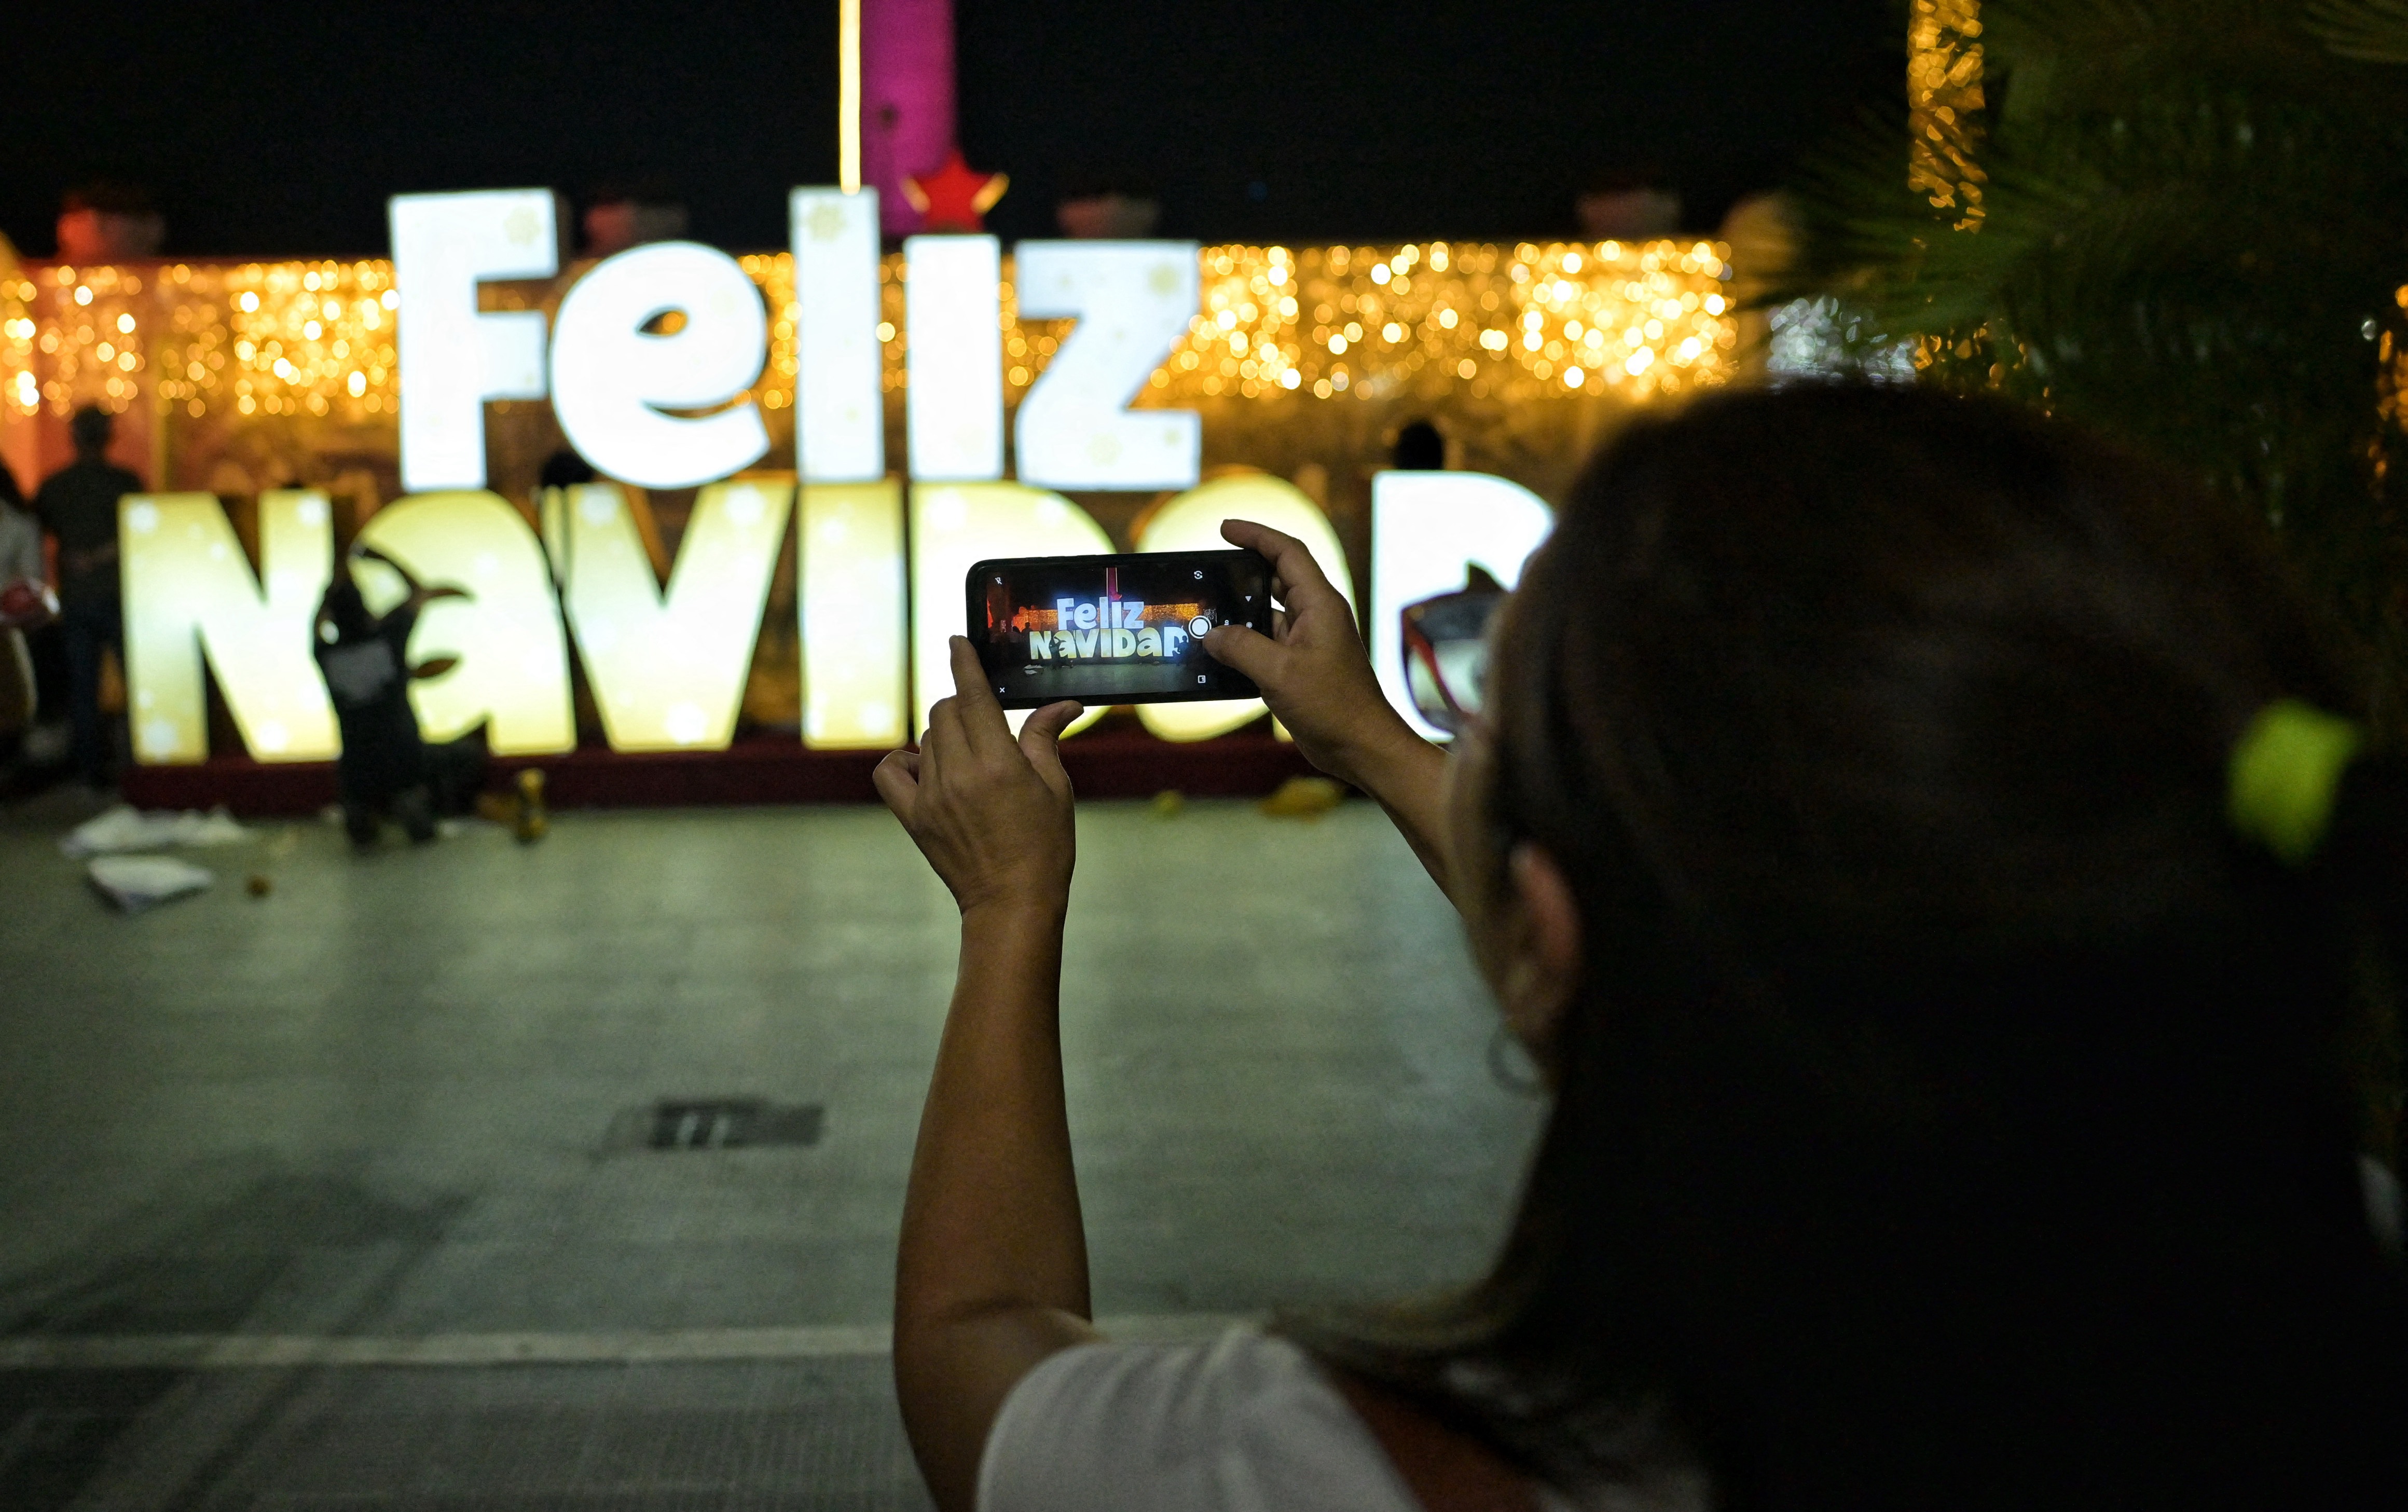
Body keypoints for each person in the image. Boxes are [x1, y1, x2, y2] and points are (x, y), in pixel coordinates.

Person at [873, 385, 2407, 1510]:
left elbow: (975, 1357)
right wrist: (1374, 741)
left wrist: (1011, 912)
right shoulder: (2338, 1261)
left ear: (1540, 937)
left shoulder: (1339, 1462)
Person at [313, 544, 463, 848]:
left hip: (357, 764)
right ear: (368, 614)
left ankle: (360, 816)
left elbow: (315, 628)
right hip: (403, 757)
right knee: (421, 827)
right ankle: (409, 810)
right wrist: (385, 559)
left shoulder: (327, 654)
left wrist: (328, 595)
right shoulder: (388, 639)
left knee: (361, 837)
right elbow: (419, 591)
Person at [34, 406, 143, 789]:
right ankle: (136, 765)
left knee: (83, 688)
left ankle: (90, 771)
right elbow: (142, 531)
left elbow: (38, 531)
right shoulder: (125, 483)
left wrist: (71, 557)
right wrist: (105, 554)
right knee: (135, 684)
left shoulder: (55, 486)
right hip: (117, 594)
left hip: (78, 598)